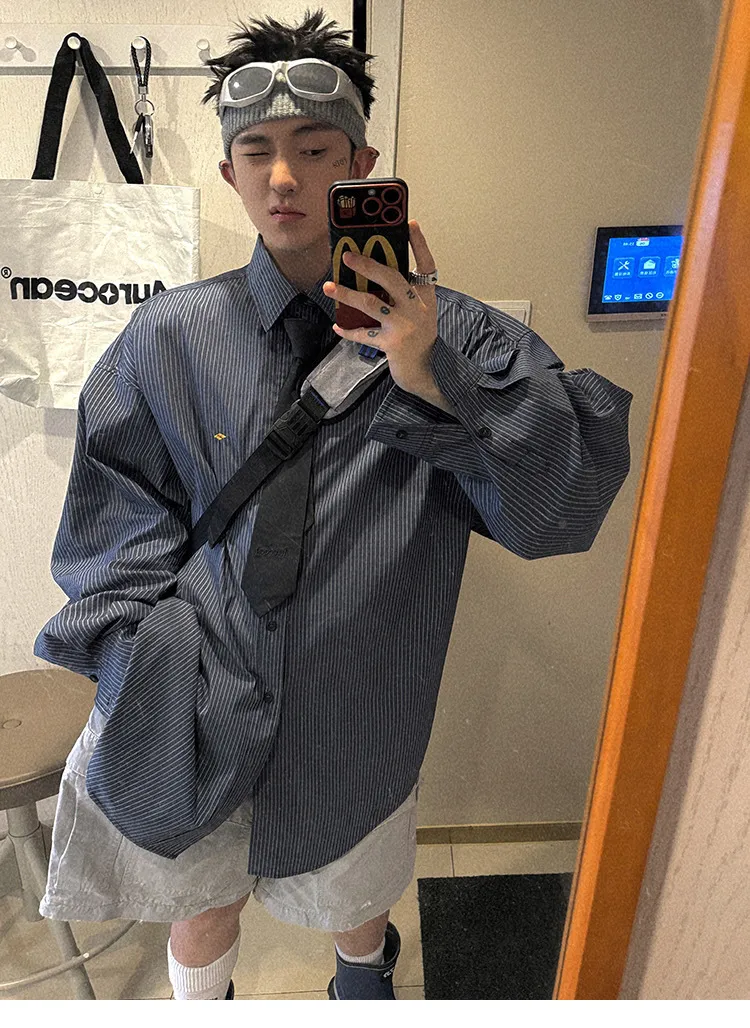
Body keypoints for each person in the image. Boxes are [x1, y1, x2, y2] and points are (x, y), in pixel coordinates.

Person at [33, 7, 633, 1002]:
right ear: (228, 173)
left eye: (314, 150)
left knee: (357, 898)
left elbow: (560, 510)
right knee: (201, 902)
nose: (283, 177)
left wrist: (431, 373)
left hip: (363, 701)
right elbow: (115, 511)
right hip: (198, 691)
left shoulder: (464, 338)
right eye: (257, 152)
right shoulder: (171, 335)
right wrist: (140, 649)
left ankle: (365, 983)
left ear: (362, 165)